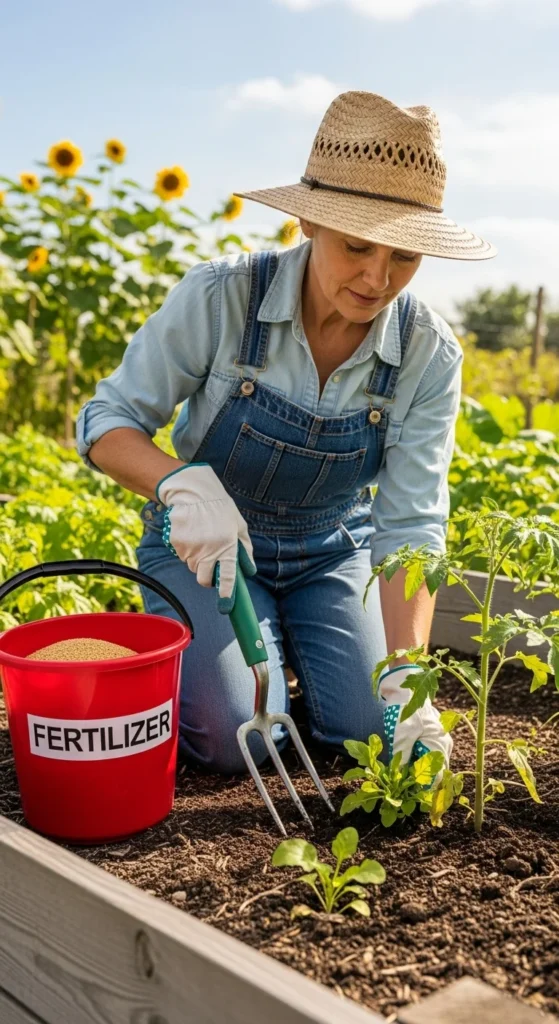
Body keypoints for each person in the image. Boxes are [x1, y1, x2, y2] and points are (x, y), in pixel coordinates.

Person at [77, 91, 495, 776]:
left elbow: (411, 525)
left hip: (332, 555)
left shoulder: (428, 352)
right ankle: (254, 658)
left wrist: (404, 675)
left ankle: (315, 652)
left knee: (368, 729)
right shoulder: (222, 297)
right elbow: (105, 422)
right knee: (235, 734)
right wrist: (178, 482)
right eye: (357, 246)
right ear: (307, 218)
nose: (376, 279)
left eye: (405, 258)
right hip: (204, 555)